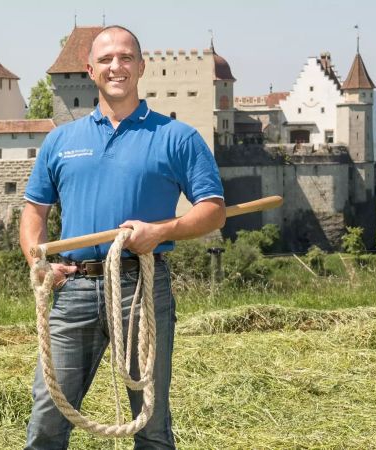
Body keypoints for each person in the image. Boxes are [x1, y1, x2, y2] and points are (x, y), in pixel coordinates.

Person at [20, 25, 226, 449]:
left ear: (141, 67)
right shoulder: (61, 140)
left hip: (142, 290)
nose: (117, 67)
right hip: (73, 288)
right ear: (90, 70)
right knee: (47, 417)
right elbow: (34, 212)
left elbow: (213, 211)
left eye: (127, 58)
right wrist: (36, 261)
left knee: (150, 422)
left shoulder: (176, 137)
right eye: (108, 59)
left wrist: (161, 231)